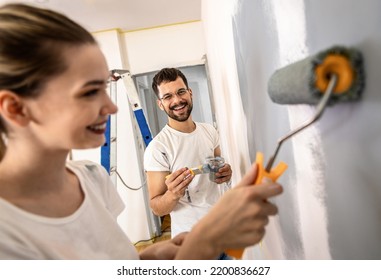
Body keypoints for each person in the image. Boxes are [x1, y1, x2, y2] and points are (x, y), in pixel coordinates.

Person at [0, 3, 283, 260]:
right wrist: (199, 247)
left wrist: (151, 257)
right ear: (15, 108)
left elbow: (115, 264)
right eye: (89, 92)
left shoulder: (92, 178)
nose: (111, 107)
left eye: (105, 87)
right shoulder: (7, 234)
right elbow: (157, 207)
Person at [144, 68, 233, 259]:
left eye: (180, 92)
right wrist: (173, 194)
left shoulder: (209, 131)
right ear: (160, 104)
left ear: (190, 93)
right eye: (167, 96)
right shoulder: (158, 148)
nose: (176, 100)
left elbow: (220, 172)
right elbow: (156, 207)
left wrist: (226, 173)